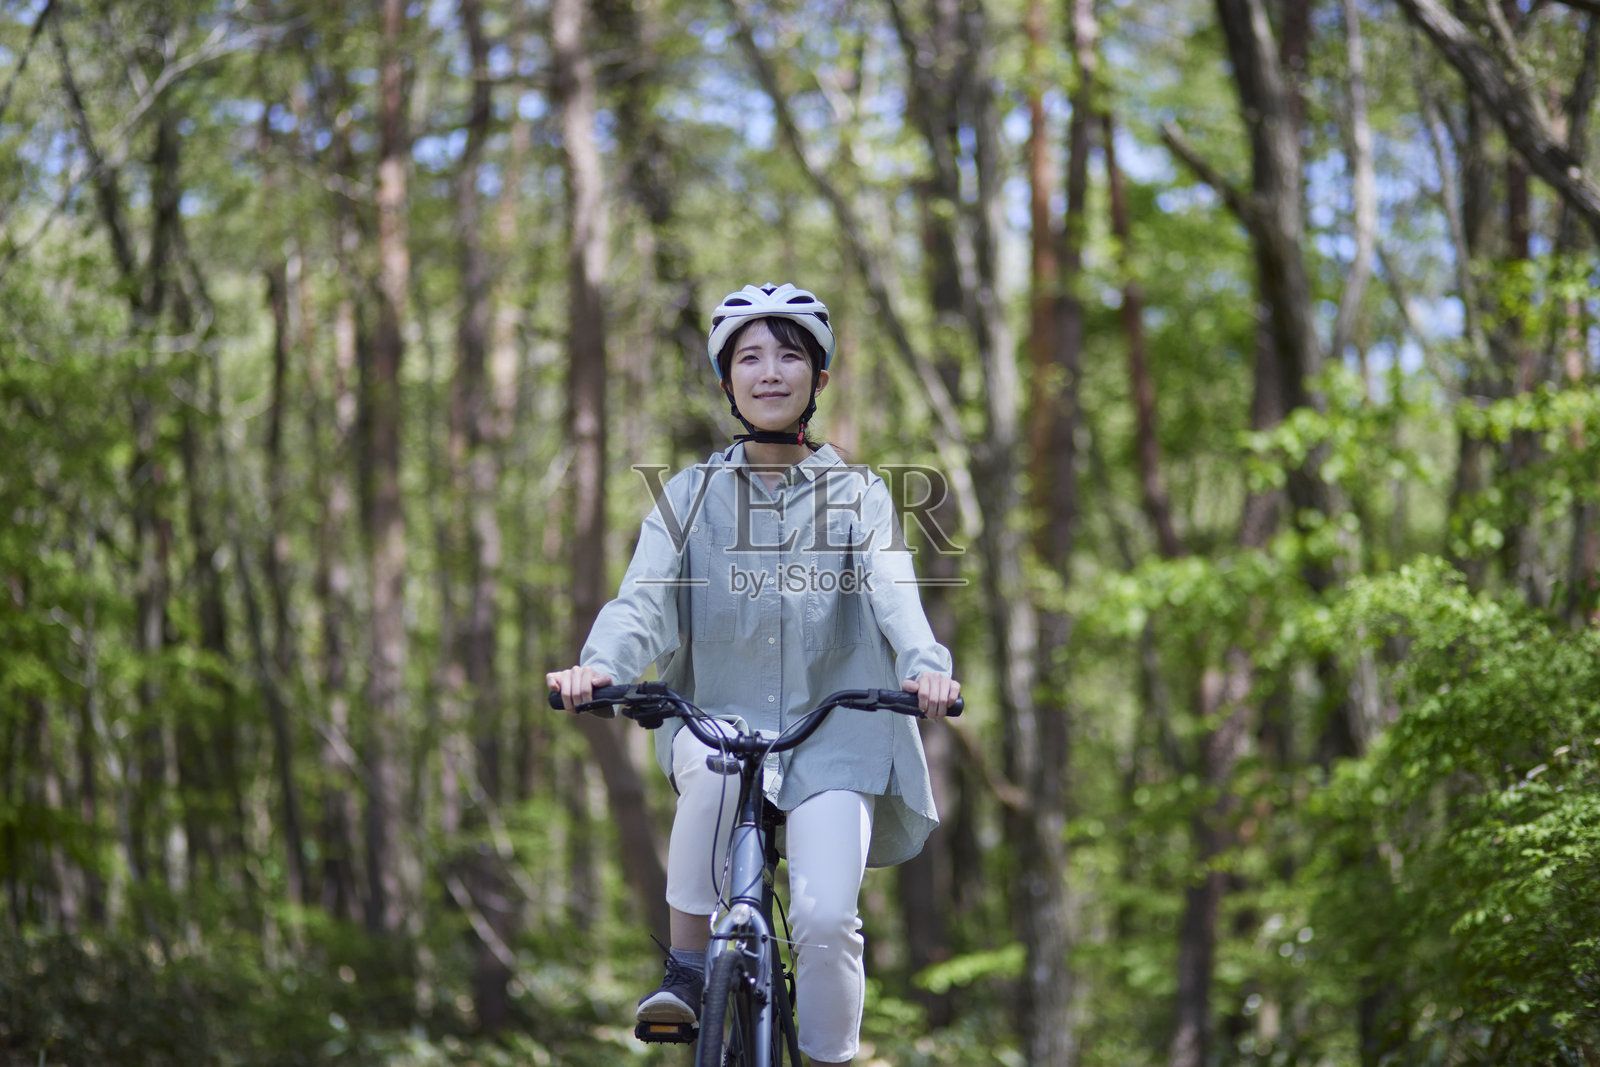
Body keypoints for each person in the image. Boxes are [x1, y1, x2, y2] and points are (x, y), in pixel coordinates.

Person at [548, 282, 960, 1066]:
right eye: (750, 357)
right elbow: (642, 601)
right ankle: (686, 966)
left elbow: (895, 595)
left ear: (820, 378)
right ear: (726, 380)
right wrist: (599, 667)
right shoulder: (687, 496)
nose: (770, 371)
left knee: (827, 917)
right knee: (709, 760)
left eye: (790, 355)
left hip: (837, 737)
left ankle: (828, 1059)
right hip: (723, 724)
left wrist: (926, 668)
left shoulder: (860, 496)